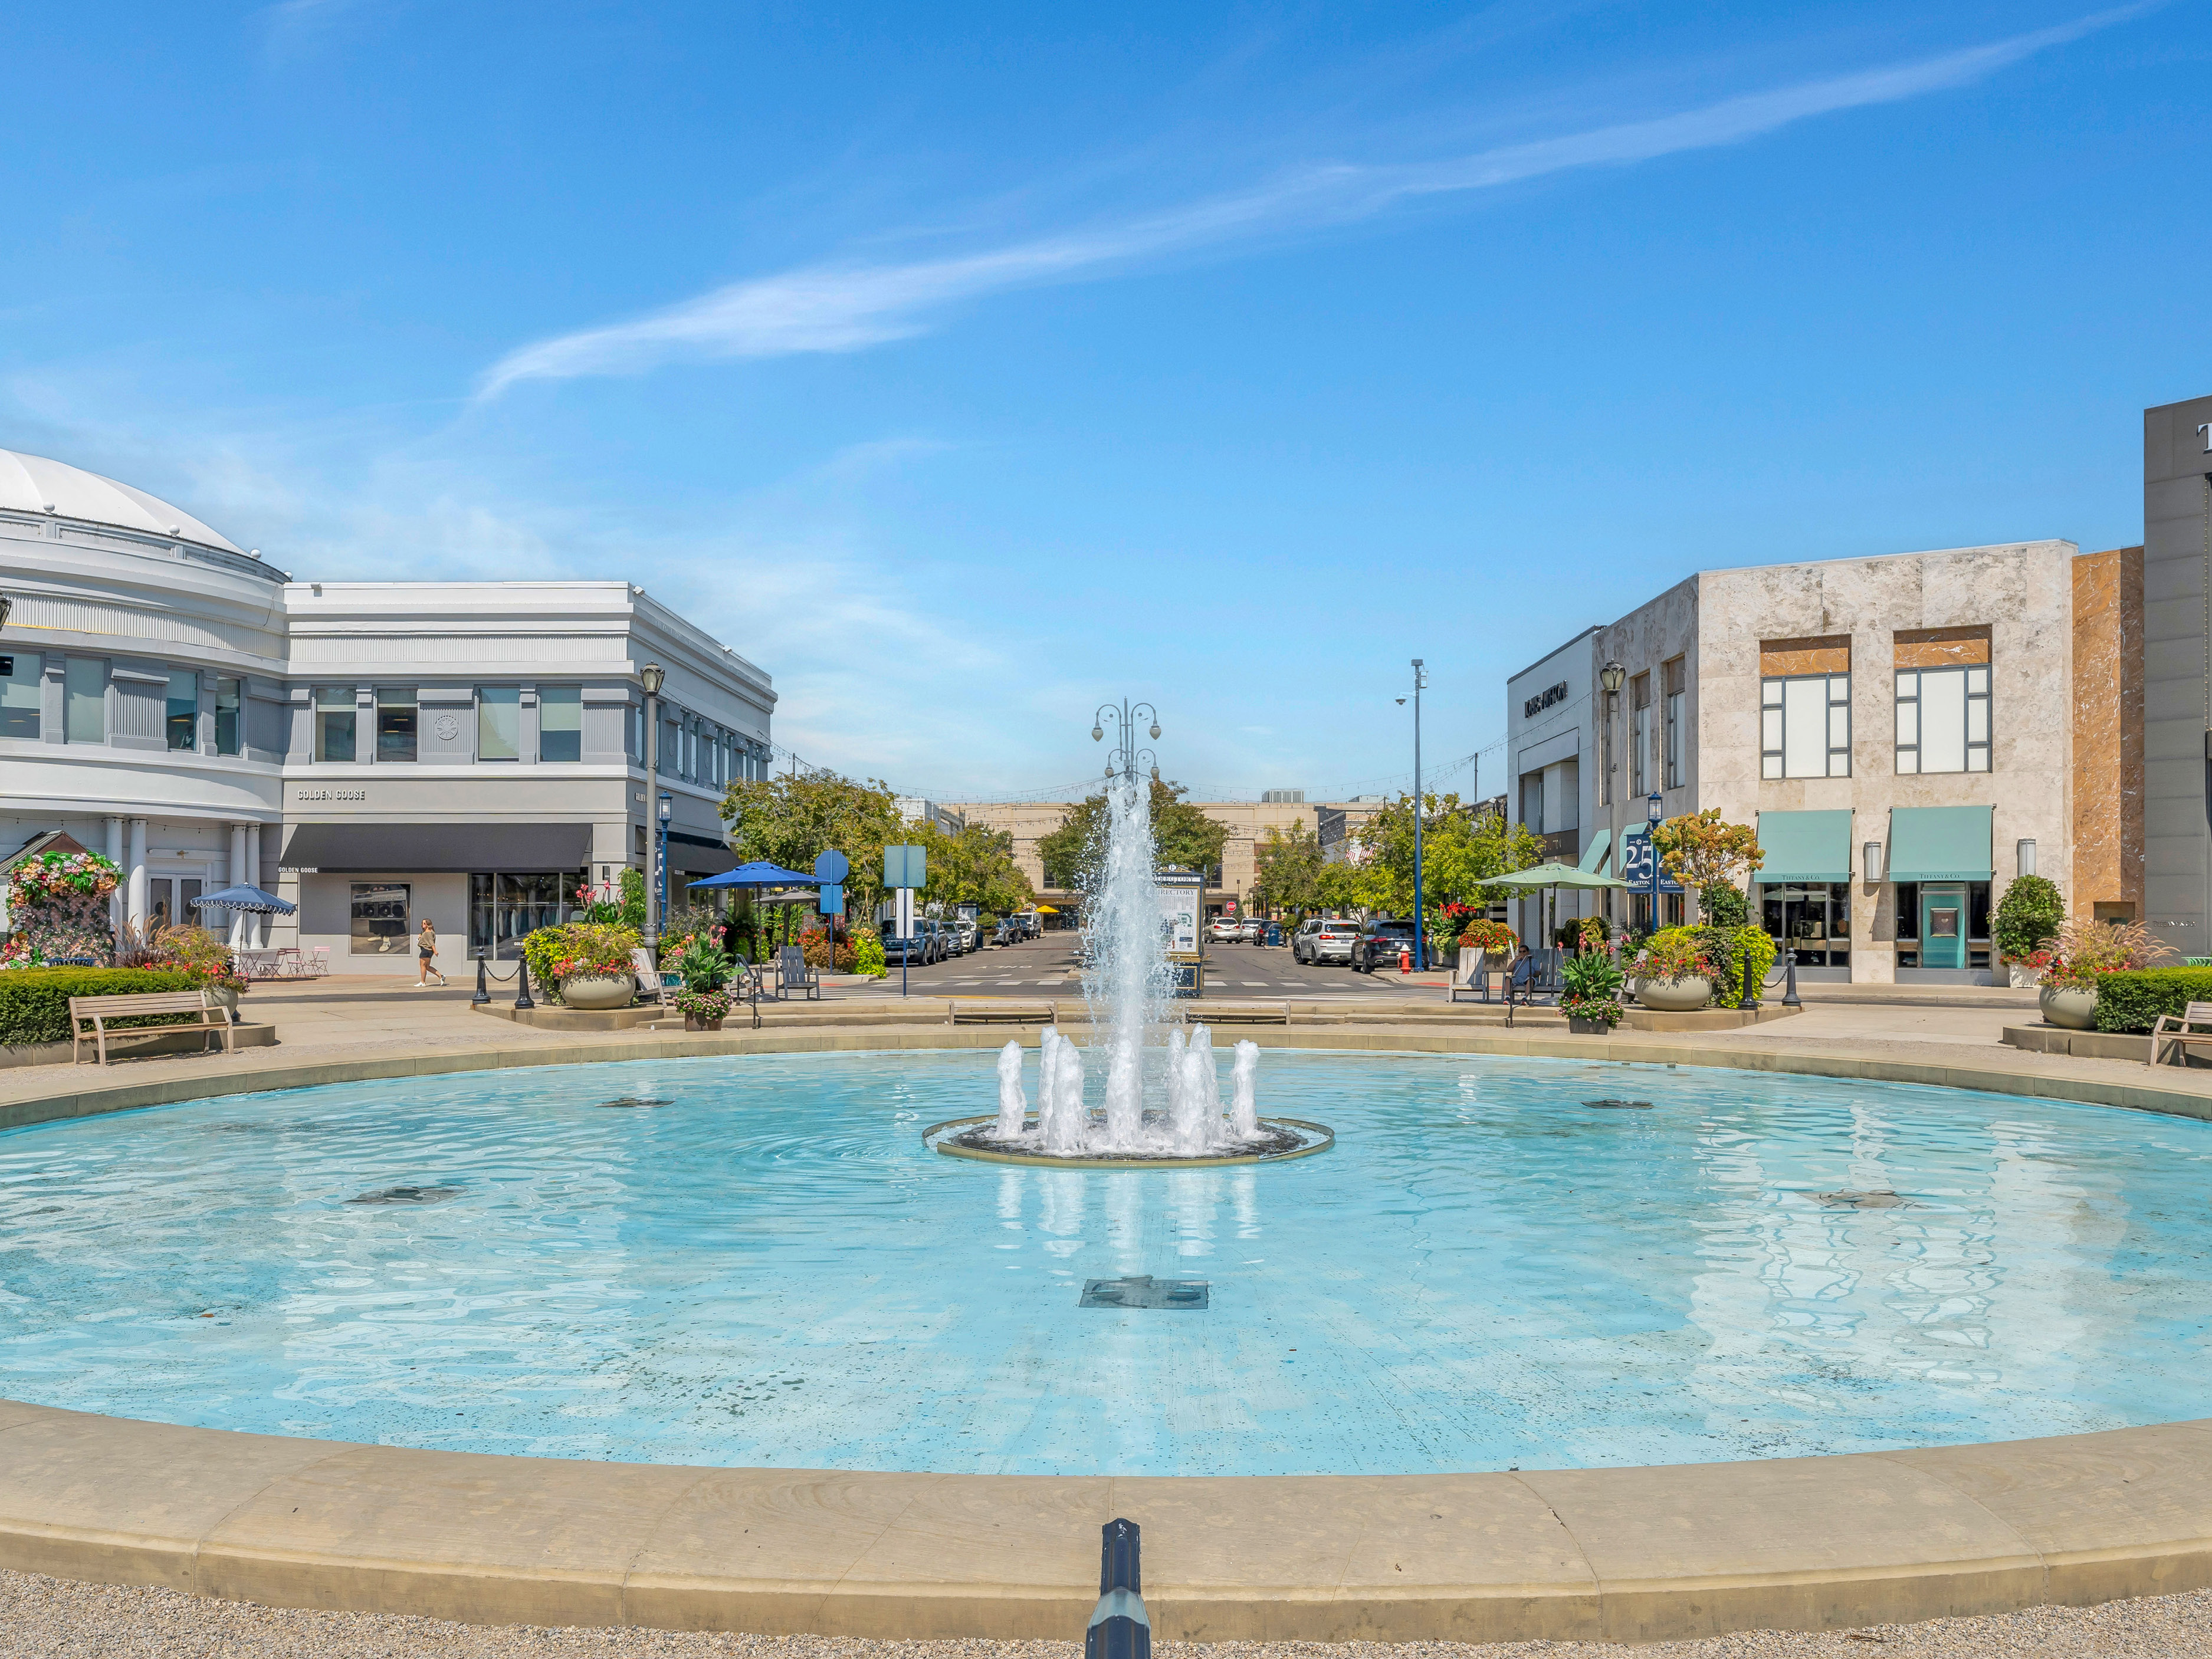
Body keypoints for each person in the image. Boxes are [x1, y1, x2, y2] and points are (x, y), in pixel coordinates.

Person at [415, 917, 447, 987]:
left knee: (423, 966)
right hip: (429, 951)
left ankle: (423, 982)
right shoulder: (430, 932)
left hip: (426, 950)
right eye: (422, 923)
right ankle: (441, 976)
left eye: (424, 923)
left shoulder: (428, 932)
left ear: (428, 924)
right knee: (427, 967)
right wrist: (421, 937)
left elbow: (431, 943)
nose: (422, 924)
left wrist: (435, 951)